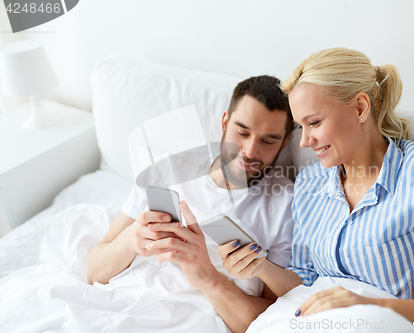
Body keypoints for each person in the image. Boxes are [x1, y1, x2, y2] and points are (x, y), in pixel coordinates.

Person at [219, 48, 414, 332]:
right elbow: (305, 285)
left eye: (314, 122)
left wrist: (369, 307)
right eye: (301, 127)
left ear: (361, 108)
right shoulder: (309, 184)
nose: (305, 142)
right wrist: (260, 267)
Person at [86, 75, 295, 333]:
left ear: (284, 143)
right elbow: (94, 270)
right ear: (224, 123)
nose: (250, 151)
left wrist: (207, 276)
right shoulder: (165, 168)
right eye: (242, 132)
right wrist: (131, 240)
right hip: (123, 305)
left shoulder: (287, 204)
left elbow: (269, 318)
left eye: (268, 141)